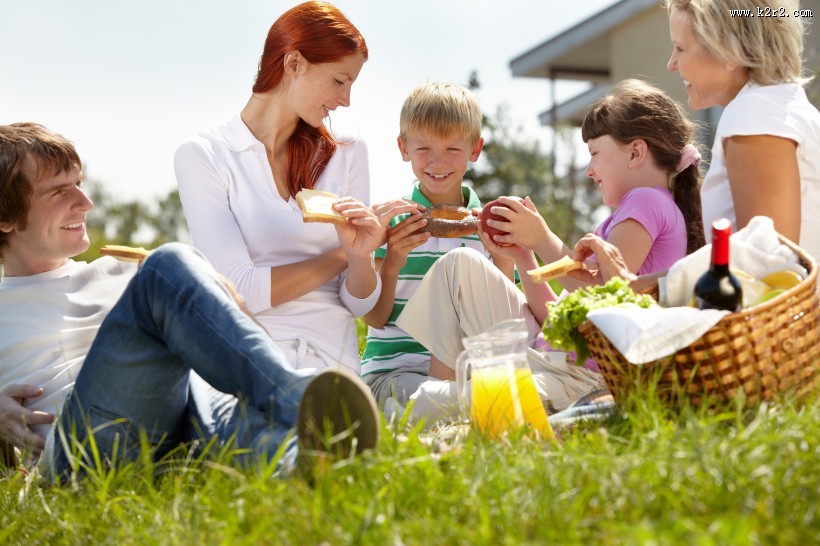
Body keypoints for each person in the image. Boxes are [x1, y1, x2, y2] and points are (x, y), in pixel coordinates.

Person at [0, 123, 379, 478]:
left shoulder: (121, 272)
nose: (85, 202)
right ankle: (301, 403)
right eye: (59, 191)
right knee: (171, 261)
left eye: (79, 184)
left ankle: (313, 459)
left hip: (173, 422)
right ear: (5, 217)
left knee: (232, 411)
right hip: (84, 451)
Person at [391, 80, 707, 415]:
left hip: (583, 379)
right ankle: (439, 397)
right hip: (552, 358)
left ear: (635, 153)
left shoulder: (646, 201)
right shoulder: (634, 211)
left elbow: (608, 299)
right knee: (459, 265)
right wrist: (524, 254)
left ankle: (422, 412)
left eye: (595, 153)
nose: (589, 170)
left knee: (435, 403)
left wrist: (543, 239)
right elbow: (557, 318)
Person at [175, 1, 410, 374]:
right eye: (339, 81)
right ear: (294, 63)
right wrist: (344, 254)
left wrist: (360, 258)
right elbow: (239, 290)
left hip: (332, 363)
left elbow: (360, 305)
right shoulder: (204, 155)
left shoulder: (347, 151)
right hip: (248, 359)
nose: (346, 100)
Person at [358, 82, 513, 409]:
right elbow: (374, 318)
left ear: (475, 149)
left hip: (468, 372)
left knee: (482, 396)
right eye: (424, 149)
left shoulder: (489, 223)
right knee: (461, 404)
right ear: (403, 148)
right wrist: (392, 262)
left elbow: (508, 321)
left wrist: (501, 257)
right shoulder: (393, 222)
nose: (437, 162)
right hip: (395, 372)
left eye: (452, 150)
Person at [665, 0, 820, 261]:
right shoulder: (776, 105)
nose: (672, 63)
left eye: (681, 48)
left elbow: (771, 263)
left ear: (729, 50)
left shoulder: (755, 113)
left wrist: (644, 286)